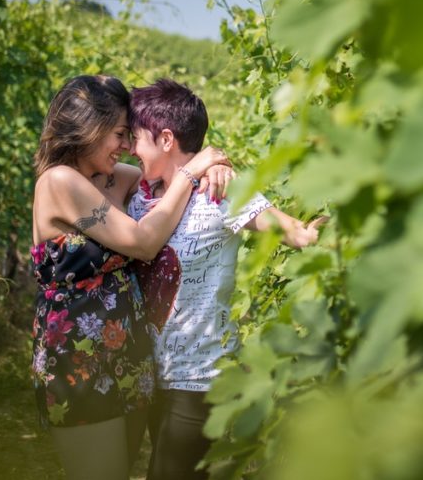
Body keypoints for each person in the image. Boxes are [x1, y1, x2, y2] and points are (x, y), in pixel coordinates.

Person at [30, 74, 234, 480]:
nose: (125, 146)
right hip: (79, 361)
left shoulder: (116, 179)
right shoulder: (59, 182)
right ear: (91, 127)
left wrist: (215, 167)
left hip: (129, 357)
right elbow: (142, 242)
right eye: (119, 134)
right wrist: (194, 173)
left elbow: (170, 179)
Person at [126, 78, 326, 480]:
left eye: (136, 139)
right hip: (150, 373)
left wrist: (312, 232)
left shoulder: (219, 192)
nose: (131, 149)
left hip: (200, 377)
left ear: (166, 139)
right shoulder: (139, 195)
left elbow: (292, 230)